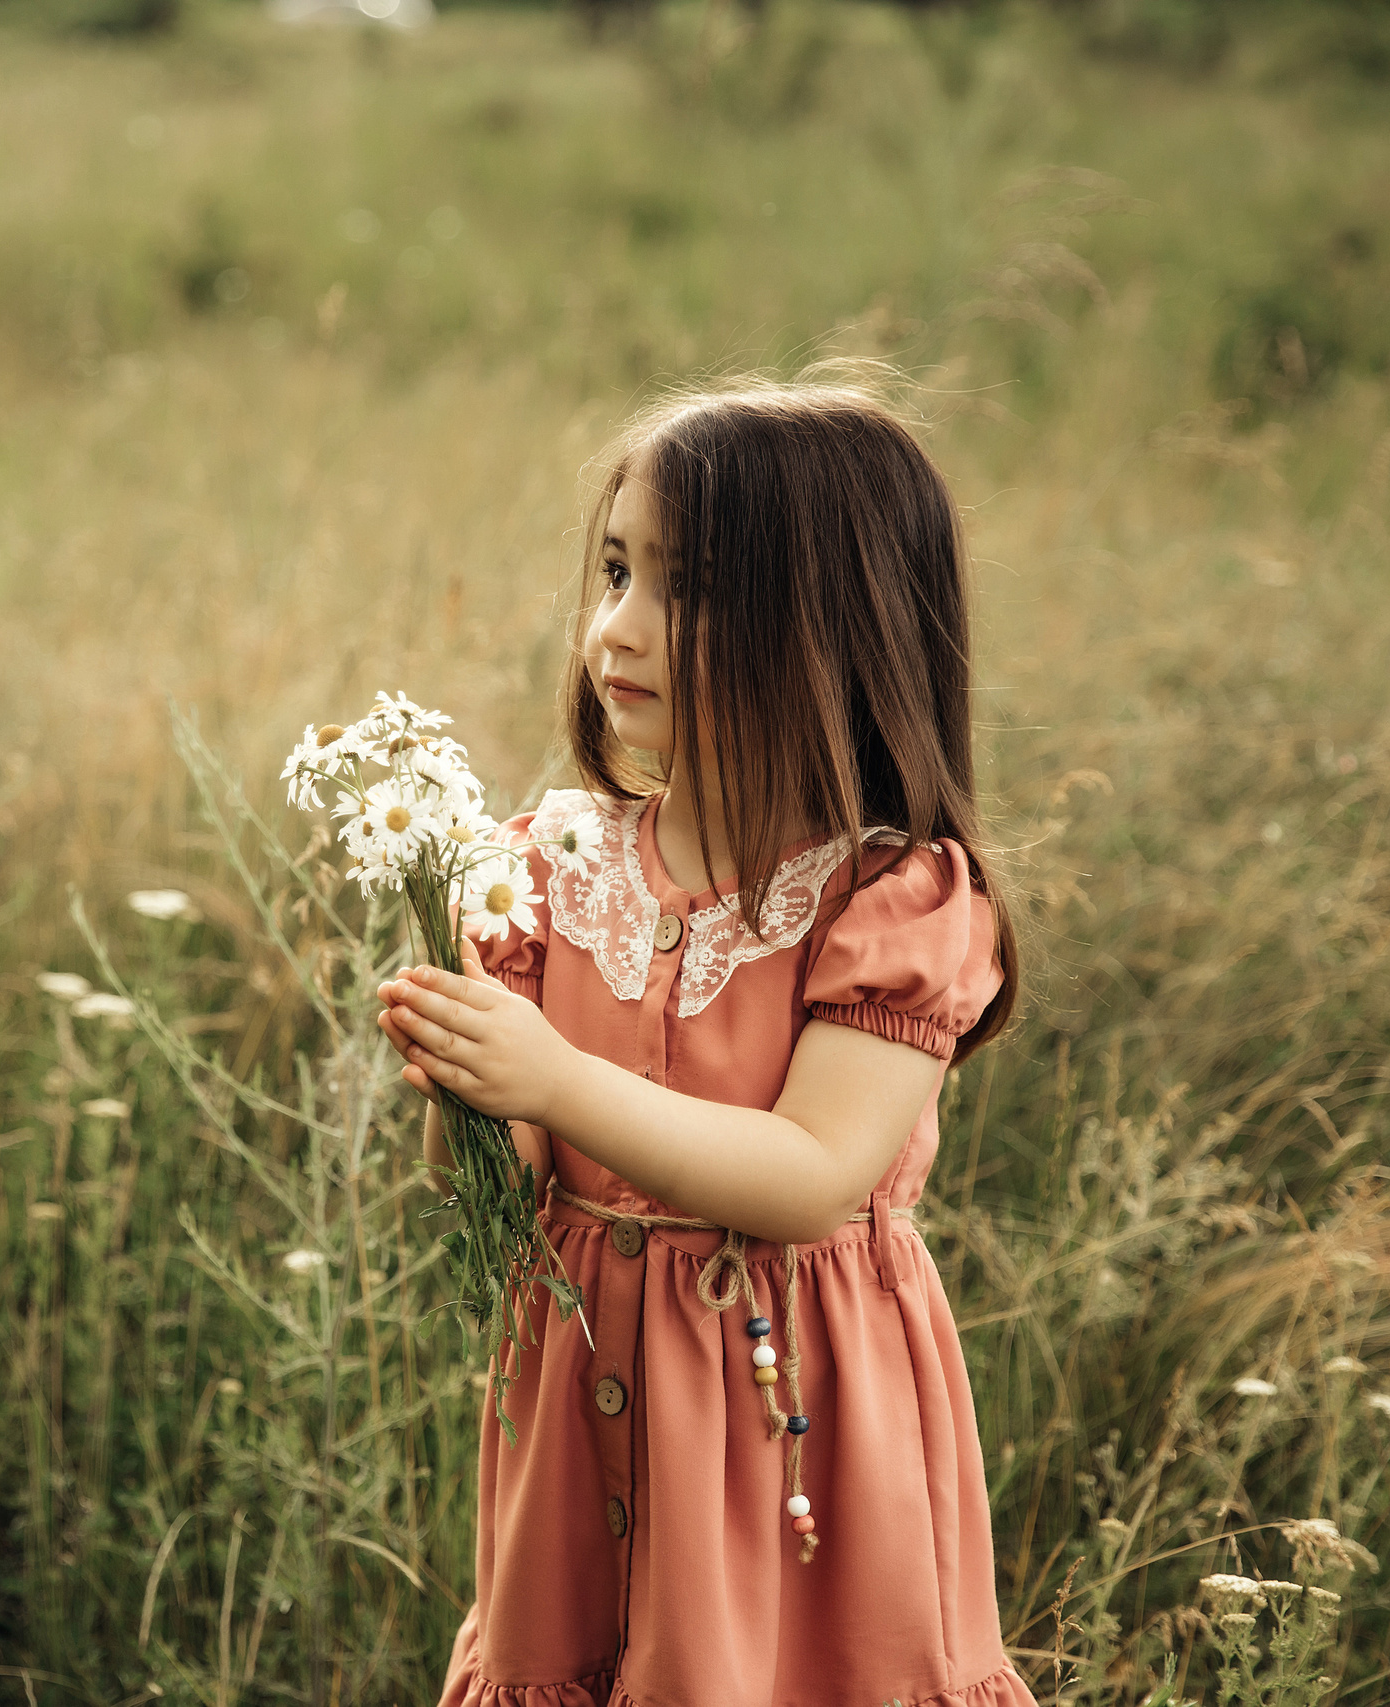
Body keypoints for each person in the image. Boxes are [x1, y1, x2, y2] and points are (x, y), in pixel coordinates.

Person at [373, 376, 1034, 1707]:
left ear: (838, 630)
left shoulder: (890, 897)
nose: (619, 627)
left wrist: (556, 1075)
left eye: (687, 589)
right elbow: (492, 1190)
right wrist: (467, 1084)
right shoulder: (543, 869)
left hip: (796, 1430)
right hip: (588, 1412)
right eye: (615, 570)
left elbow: (808, 1175)